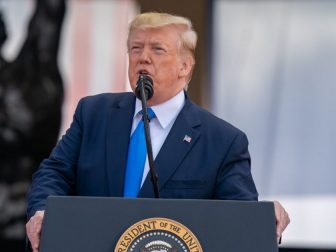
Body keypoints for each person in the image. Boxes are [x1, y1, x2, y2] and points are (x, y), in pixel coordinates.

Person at [26, 12, 290, 252]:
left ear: (185, 66)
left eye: (158, 49)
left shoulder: (222, 141)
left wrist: (265, 217)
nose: (143, 57)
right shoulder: (93, 113)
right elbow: (55, 172)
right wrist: (42, 211)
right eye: (136, 48)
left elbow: (240, 218)